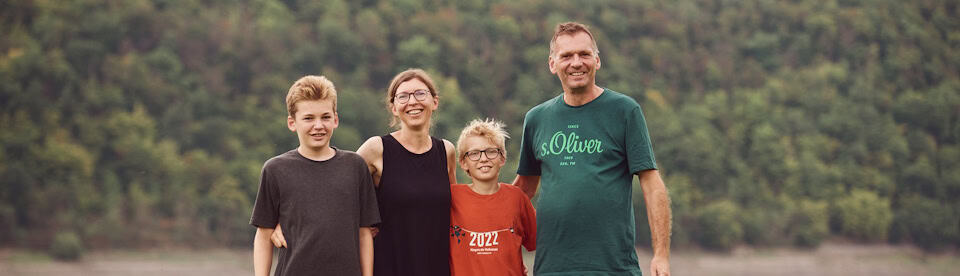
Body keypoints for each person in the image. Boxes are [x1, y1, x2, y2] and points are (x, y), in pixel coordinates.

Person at [513, 22, 672, 276]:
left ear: (597, 61)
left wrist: (661, 255)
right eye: (566, 56)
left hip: (613, 268)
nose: (576, 63)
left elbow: (652, 184)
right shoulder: (536, 119)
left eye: (584, 54)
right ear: (552, 64)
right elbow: (522, 191)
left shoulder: (625, 111)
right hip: (552, 268)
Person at [271, 69, 457, 275]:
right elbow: (332, 185)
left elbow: (458, 212)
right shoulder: (376, 149)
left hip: (436, 265)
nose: (413, 101)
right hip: (389, 265)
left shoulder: (446, 152)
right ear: (394, 107)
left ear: (435, 102)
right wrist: (285, 220)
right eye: (403, 96)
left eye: (420, 94)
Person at [250, 75, 380, 276]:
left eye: (325, 117)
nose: (318, 125)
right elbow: (263, 234)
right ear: (292, 123)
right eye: (309, 118)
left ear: (335, 119)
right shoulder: (275, 169)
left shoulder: (355, 166)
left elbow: (364, 234)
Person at [449, 118, 536, 276]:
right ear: (463, 162)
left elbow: (539, 243)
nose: (483, 159)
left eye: (491, 151)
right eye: (474, 153)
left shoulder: (517, 198)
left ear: (502, 158)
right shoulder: (451, 197)